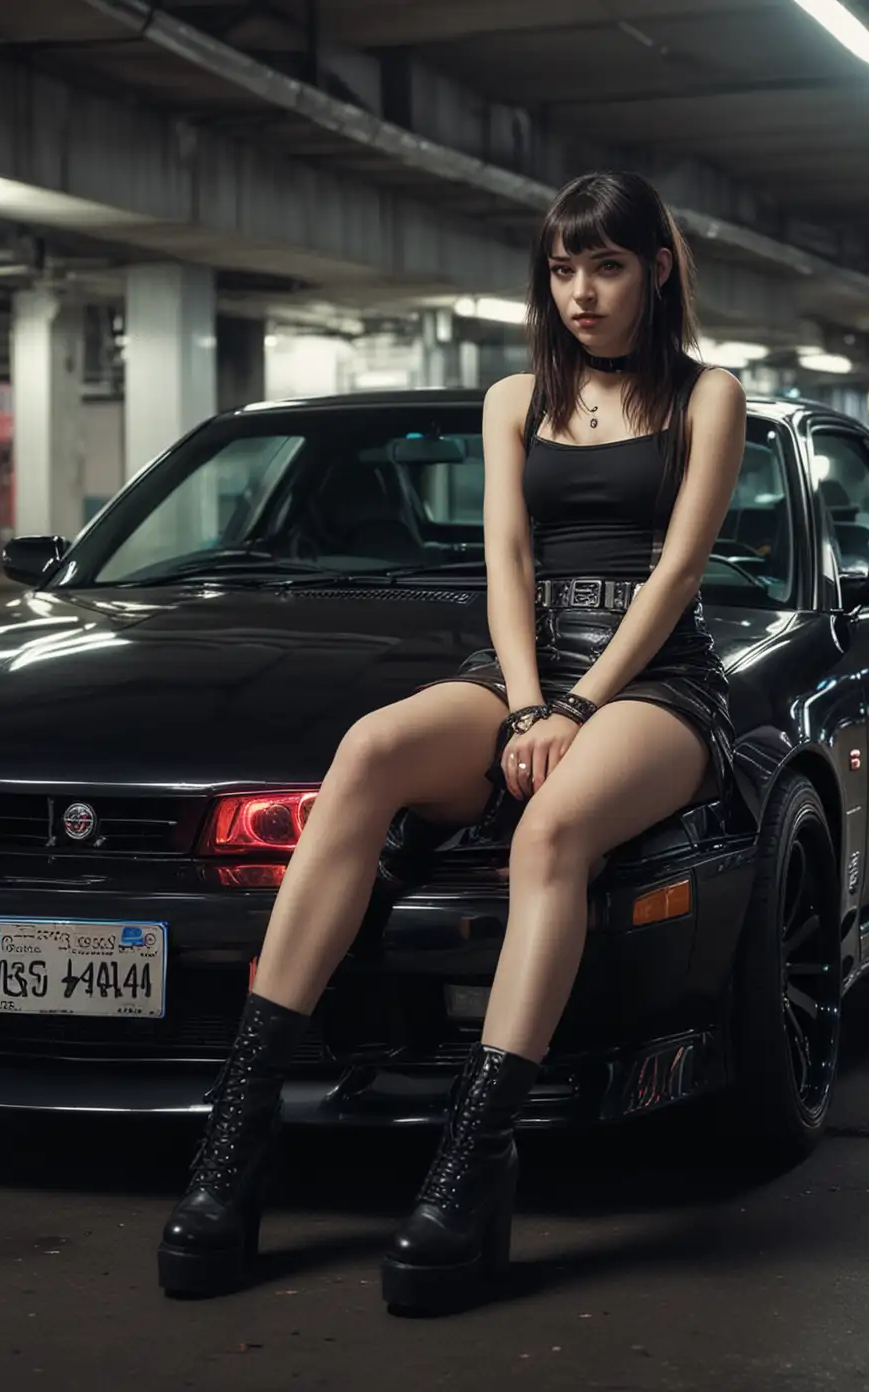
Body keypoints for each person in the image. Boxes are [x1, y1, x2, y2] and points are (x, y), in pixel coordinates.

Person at [156, 169, 748, 1315]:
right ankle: (237, 1148)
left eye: (608, 266)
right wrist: (529, 703)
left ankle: (471, 1166)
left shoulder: (708, 396)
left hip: (657, 683)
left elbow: (676, 573)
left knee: (556, 829)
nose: (581, 291)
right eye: (564, 269)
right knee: (370, 751)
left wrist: (578, 713)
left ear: (657, 271)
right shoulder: (513, 397)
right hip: (525, 667)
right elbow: (509, 564)